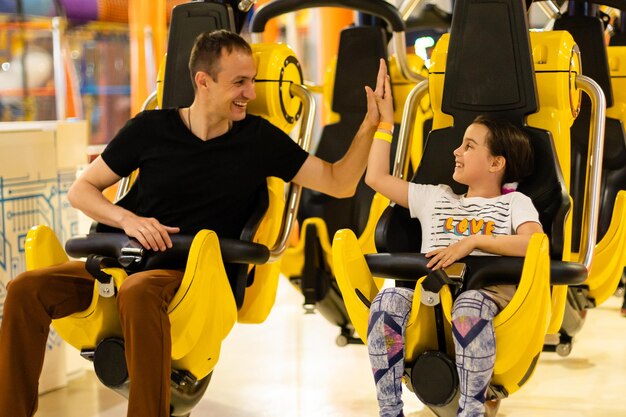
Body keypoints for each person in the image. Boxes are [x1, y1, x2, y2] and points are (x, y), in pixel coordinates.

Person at [0, 30, 390, 417]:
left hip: (190, 274)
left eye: (253, 81)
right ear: (203, 81)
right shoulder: (149, 129)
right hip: (122, 260)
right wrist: (128, 220)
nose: (250, 93)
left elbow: (339, 182)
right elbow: (81, 190)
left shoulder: (259, 140)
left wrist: (371, 123)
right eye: (239, 82)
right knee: (24, 289)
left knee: (138, 292)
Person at [364, 74, 542, 417]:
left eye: (469, 146)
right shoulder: (435, 197)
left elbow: (534, 243)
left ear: (496, 163)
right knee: (386, 300)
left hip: (486, 294)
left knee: (470, 305)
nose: (457, 152)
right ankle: (389, 410)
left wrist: (473, 242)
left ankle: (471, 410)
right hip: (430, 297)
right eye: (460, 144)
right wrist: (386, 123)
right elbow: (376, 179)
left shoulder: (514, 203)